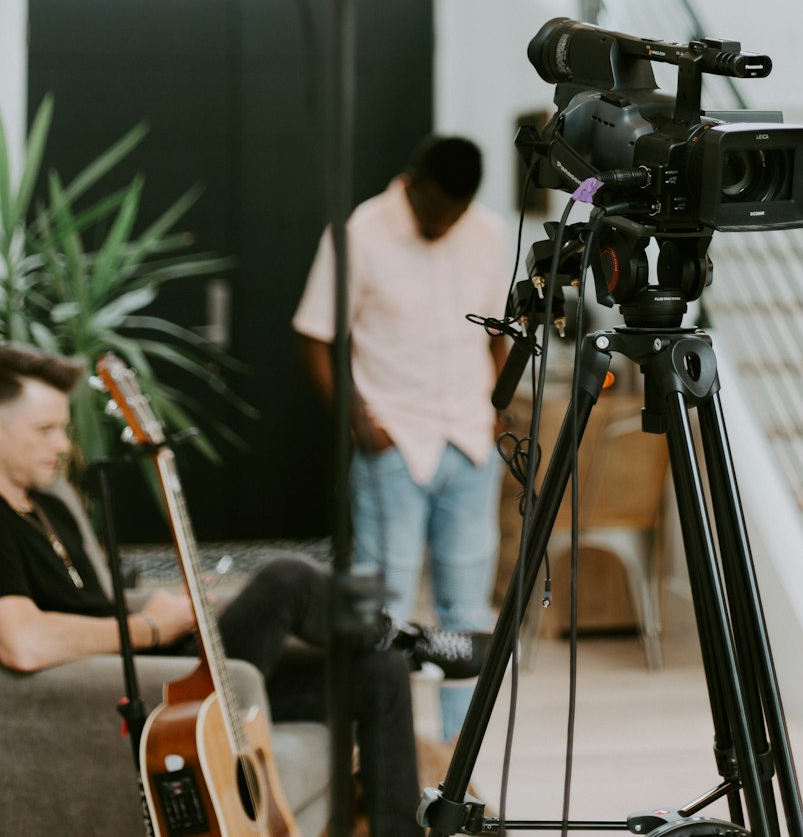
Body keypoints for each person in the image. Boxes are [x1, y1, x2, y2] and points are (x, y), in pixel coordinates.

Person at [0, 342, 462, 837]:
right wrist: (149, 628)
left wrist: (175, 611)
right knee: (286, 578)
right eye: (45, 430)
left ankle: (395, 660)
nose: (63, 446)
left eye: (63, 429)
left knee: (378, 671)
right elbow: (22, 642)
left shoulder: (51, 505)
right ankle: (404, 634)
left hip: (171, 656)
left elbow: (98, 608)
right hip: (147, 686)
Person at [294, 135, 510, 741]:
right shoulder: (359, 233)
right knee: (379, 612)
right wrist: (358, 420)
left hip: (469, 445)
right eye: (435, 212)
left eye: (456, 214)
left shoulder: (489, 234)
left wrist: (497, 407)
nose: (444, 225)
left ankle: (458, 774)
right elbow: (315, 335)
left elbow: (497, 332)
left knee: (465, 616)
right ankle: (377, 758)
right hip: (393, 447)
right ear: (412, 183)